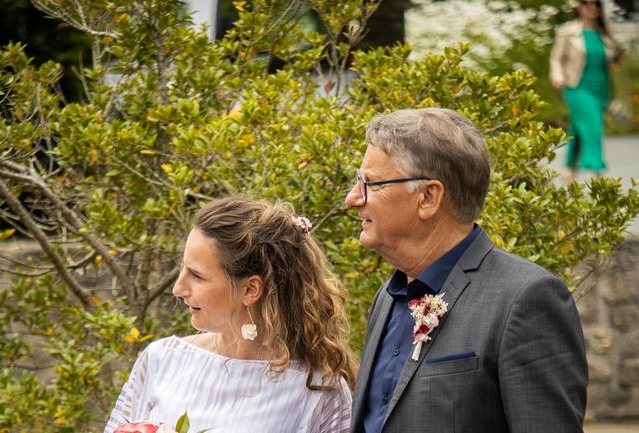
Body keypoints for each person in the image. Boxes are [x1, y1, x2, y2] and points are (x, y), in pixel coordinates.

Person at [346, 108, 587, 432]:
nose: (352, 198)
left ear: (428, 197)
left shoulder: (525, 300)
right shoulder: (387, 298)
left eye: (371, 184)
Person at [104, 197, 356, 433]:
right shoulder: (162, 360)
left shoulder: (319, 390)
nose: (178, 289)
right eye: (183, 269)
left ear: (250, 289)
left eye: (197, 275)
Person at [550, 0, 620, 181]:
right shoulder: (568, 32)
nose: (591, 7)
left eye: (596, 3)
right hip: (577, 88)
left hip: (600, 90)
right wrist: (557, 75)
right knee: (593, 125)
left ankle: (569, 171)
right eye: (586, 2)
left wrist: (614, 57)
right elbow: (557, 58)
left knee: (579, 128)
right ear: (579, 6)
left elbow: (604, 61)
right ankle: (598, 170)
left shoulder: (603, 34)